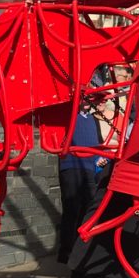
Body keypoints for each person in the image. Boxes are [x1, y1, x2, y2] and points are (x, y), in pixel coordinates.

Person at [57, 97, 107, 264]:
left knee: (88, 210)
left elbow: (96, 144)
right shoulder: (69, 115)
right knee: (71, 209)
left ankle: (79, 251)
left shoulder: (92, 119)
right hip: (71, 166)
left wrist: (99, 158)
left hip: (89, 168)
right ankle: (66, 253)